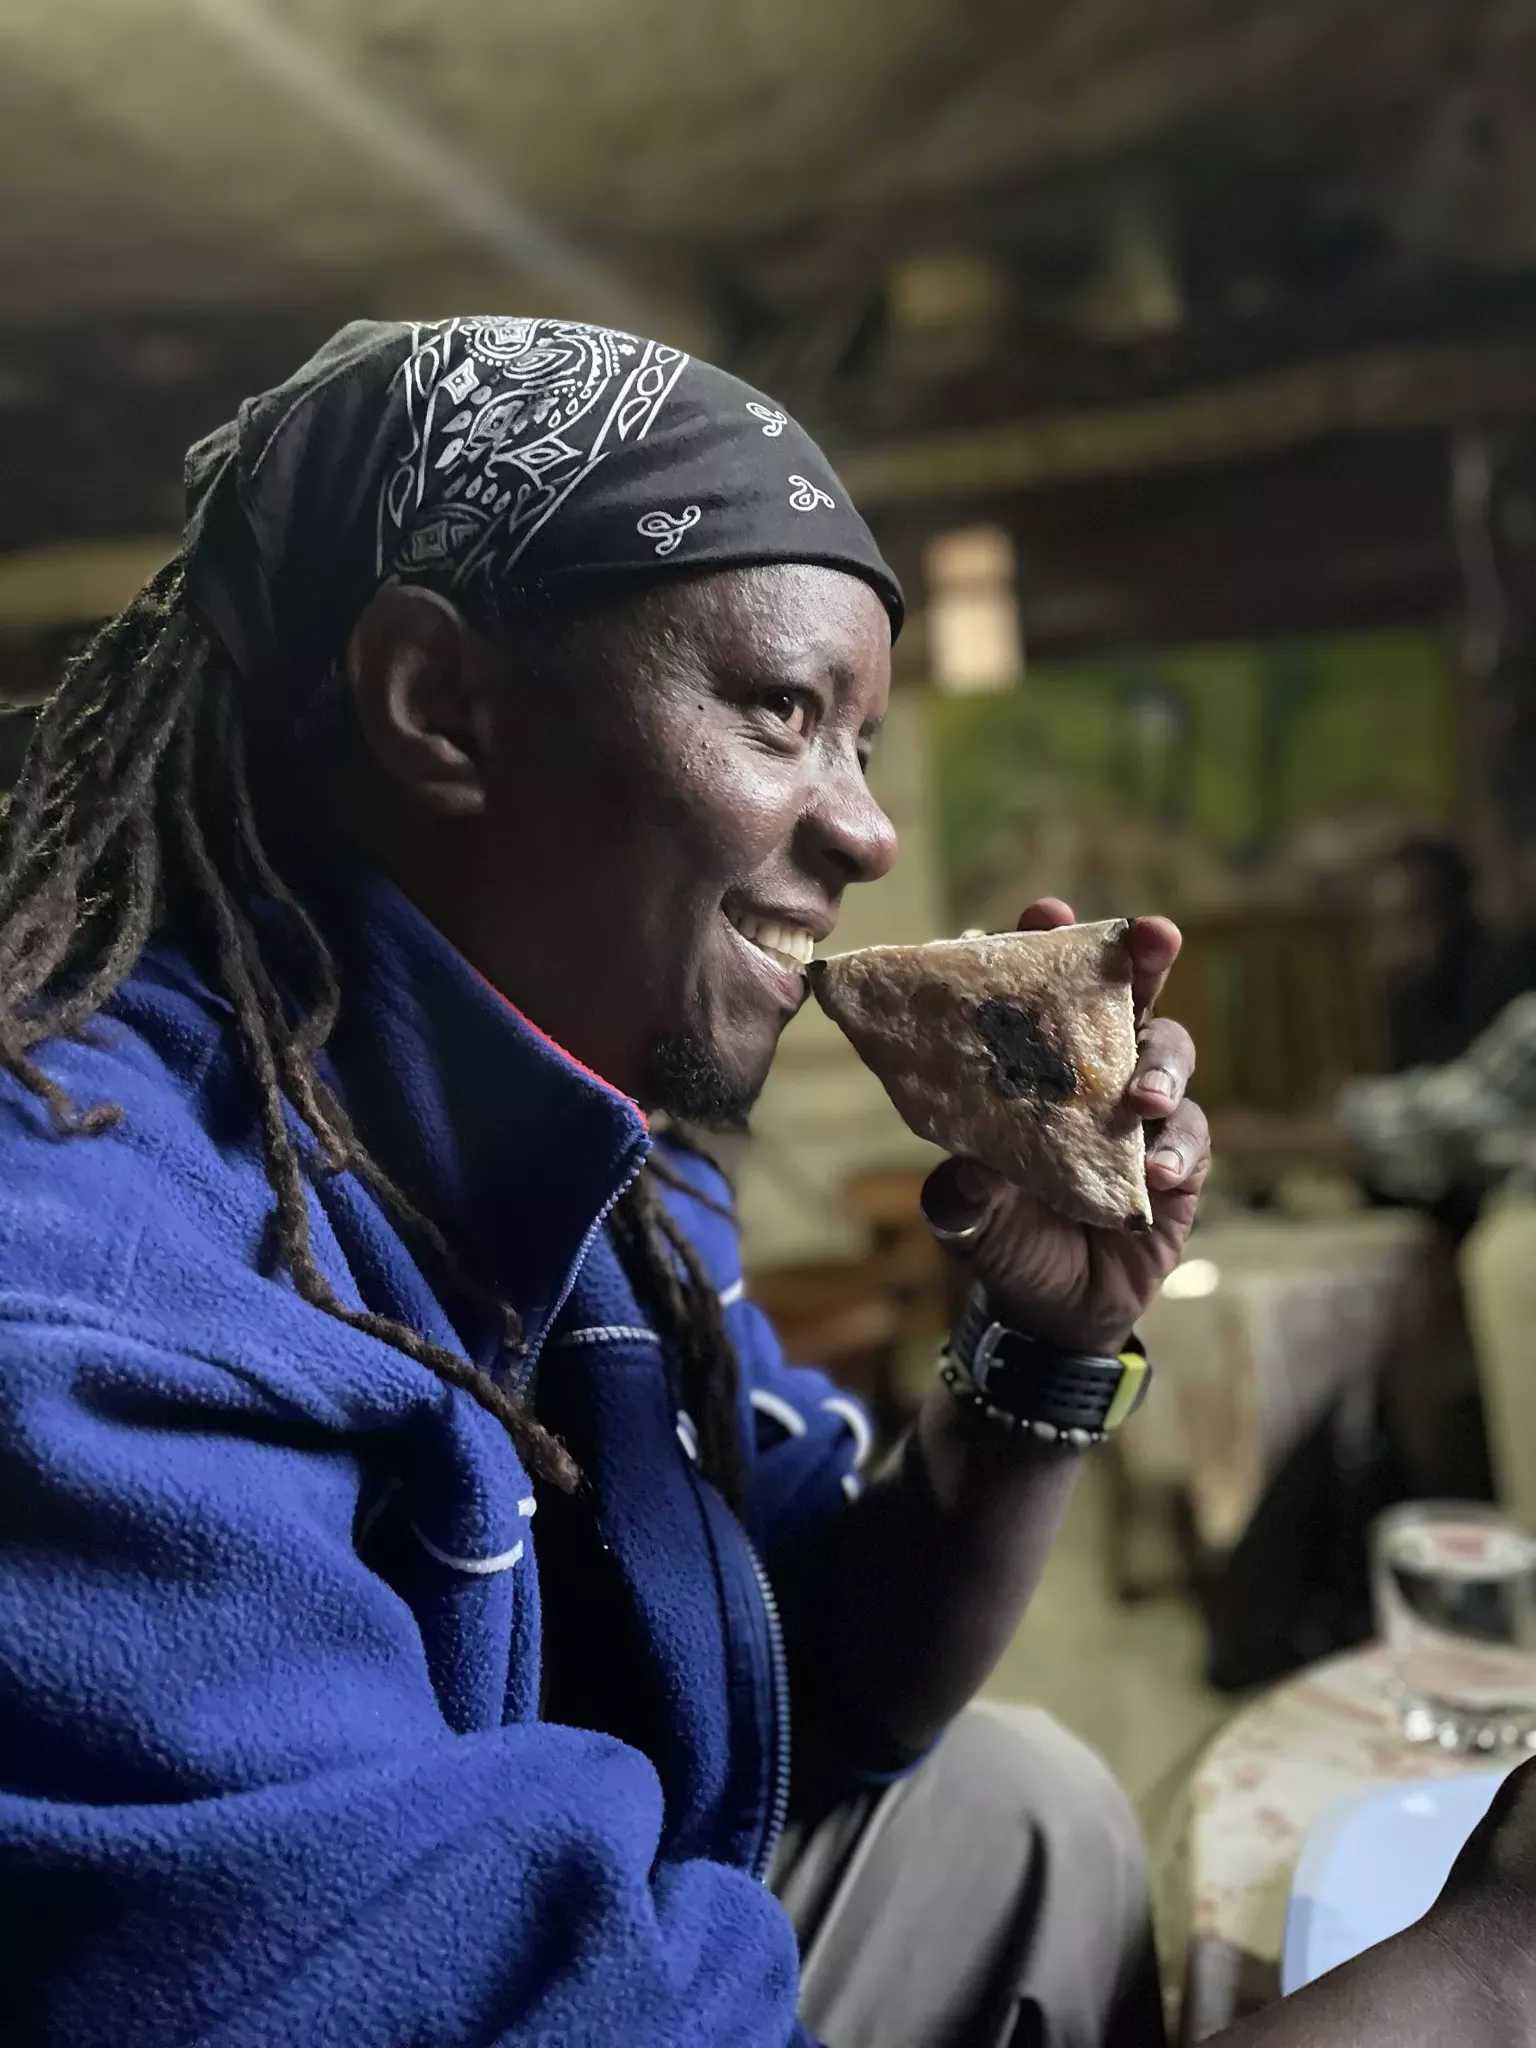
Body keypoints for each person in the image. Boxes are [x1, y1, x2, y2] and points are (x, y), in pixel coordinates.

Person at [0, 317, 1529, 2048]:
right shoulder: (85, 1322)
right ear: (439, 703)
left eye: (861, 738)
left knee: (1007, 1807)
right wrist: (1491, 1971)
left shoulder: (598, 1163)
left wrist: (1039, 1347)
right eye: (786, 709)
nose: (867, 829)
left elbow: (823, 1684)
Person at [1363, 835, 1532, 1075]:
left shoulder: (1506, 989)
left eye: (1400, 925)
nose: (1382, 952)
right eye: (1376, 929)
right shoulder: (1405, 1002)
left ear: (1444, 918)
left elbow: (1476, 1091)